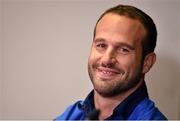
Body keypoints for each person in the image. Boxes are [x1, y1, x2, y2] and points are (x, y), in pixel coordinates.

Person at [55, 4, 167, 120]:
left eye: (124, 49)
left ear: (147, 62)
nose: (106, 60)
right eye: (101, 45)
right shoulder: (71, 115)